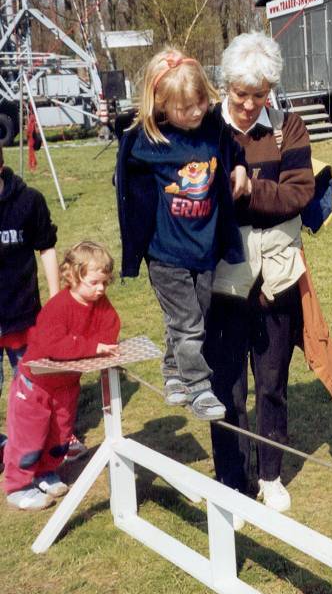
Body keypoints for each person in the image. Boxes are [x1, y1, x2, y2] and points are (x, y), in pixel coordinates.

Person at [204, 32, 318, 522]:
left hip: (276, 276)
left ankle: (269, 476)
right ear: (225, 86)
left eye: (259, 94)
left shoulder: (289, 127)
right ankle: (232, 477)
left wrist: (249, 191)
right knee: (226, 384)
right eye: (240, 94)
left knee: (271, 382)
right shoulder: (206, 127)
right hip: (222, 277)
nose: (250, 105)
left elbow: (299, 194)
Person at [115, 48, 247, 422]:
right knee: (187, 323)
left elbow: (232, 150)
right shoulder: (147, 141)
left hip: (204, 247)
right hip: (166, 253)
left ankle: (173, 371)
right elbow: (125, 177)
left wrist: (239, 168)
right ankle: (199, 388)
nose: (194, 112)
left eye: (200, 102)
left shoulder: (213, 127)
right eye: (183, 107)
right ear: (161, 106)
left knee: (196, 318)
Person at [3, 241, 120, 510]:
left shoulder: (100, 302)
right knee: (28, 437)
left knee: (60, 434)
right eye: (94, 282)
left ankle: (46, 470)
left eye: (104, 283)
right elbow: (53, 345)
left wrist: (86, 344)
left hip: (67, 383)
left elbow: (111, 328)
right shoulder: (58, 307)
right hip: (36, 384)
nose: (101, 289)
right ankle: (18, 486)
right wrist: (90, 346)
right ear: (73, 276)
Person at [0, 145, 59, 474]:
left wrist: (55, 300)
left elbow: (46, 248)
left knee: (33, 386)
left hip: (22, 312)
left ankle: (38, 444)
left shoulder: (29, 201)